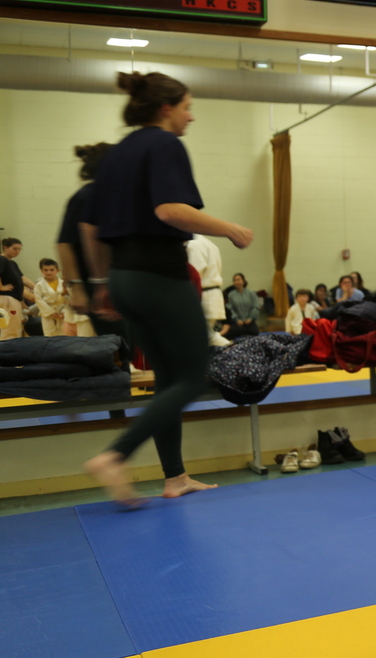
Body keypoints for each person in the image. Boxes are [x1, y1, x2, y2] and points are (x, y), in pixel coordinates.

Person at [80, 71, 254, 504]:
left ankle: (175, 477)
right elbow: (170, 210)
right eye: (187, 107)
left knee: (167, 381)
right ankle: (116, 455)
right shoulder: (165, 144)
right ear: (166, 108)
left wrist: (103, 282)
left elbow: (92, 227)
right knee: (192, 378)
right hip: (159, 276)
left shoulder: (117, 154)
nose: (190, 117)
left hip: (124, 277)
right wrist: (230, 228)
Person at [54, 142, 121, 343]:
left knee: (125, 341)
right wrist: (77, 289)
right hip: (95, 283)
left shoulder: (117, 195)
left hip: (114, 281)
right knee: (116, 341)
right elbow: (64, 244)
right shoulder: (86, 196)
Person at [186, 234, 228, 347]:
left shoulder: (193, 244)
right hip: (212, 294)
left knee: (210, 337)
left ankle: (236, 353)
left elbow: (195, 272)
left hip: (204, 295)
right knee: (210, 337)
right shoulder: (210, 244)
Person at [0, 238, 33, 340]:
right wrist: (1, 287)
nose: (17, 251)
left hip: (13, 300)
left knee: (14, 328)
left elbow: (23, 279)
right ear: (5, 247)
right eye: (14, 249)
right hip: (7, 299)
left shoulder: (12, 263)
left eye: (19, 249)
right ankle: (7, 349)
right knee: (10, 330)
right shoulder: (2, 259)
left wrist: (40, 289)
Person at [32, 258, 70, 337]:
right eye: (46, 270)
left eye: (52, 270)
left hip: (62, 310)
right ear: (41, 271)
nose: (48, 272)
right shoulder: (39, 285)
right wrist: (51, 312)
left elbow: (68, 298)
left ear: (57, 270)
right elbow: (39, 300)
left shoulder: (63, 283)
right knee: (49, 334)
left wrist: (65, 310)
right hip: (47, 312)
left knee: (64, 333)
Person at [223, 273, 261, 339]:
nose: (237, 282)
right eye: (235, 280)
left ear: (243, 281)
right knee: (233, 331)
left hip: (249, 320)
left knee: (254, 332)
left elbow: (256, 306)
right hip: (237, 322)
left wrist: (250, 318)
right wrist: (236, 319)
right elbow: (230, 308)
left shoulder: (251, 293)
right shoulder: (231, 295)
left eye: (238, 280)